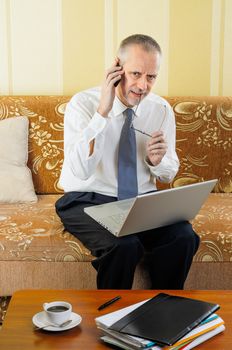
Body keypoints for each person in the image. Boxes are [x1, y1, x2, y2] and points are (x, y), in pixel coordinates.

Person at [55, 34, 199, 289]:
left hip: (139, 204)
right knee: (124, 244)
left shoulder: (161, 109)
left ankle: (163, 310)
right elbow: (80, 169)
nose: (143, 85)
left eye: (151, 77)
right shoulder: (83, 104)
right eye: (135, 74)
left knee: (184, 236)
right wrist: (103, 112)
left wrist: (157, 162)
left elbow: (168, 174)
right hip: (86, 199)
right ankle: (112, 321)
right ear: (116, 69)